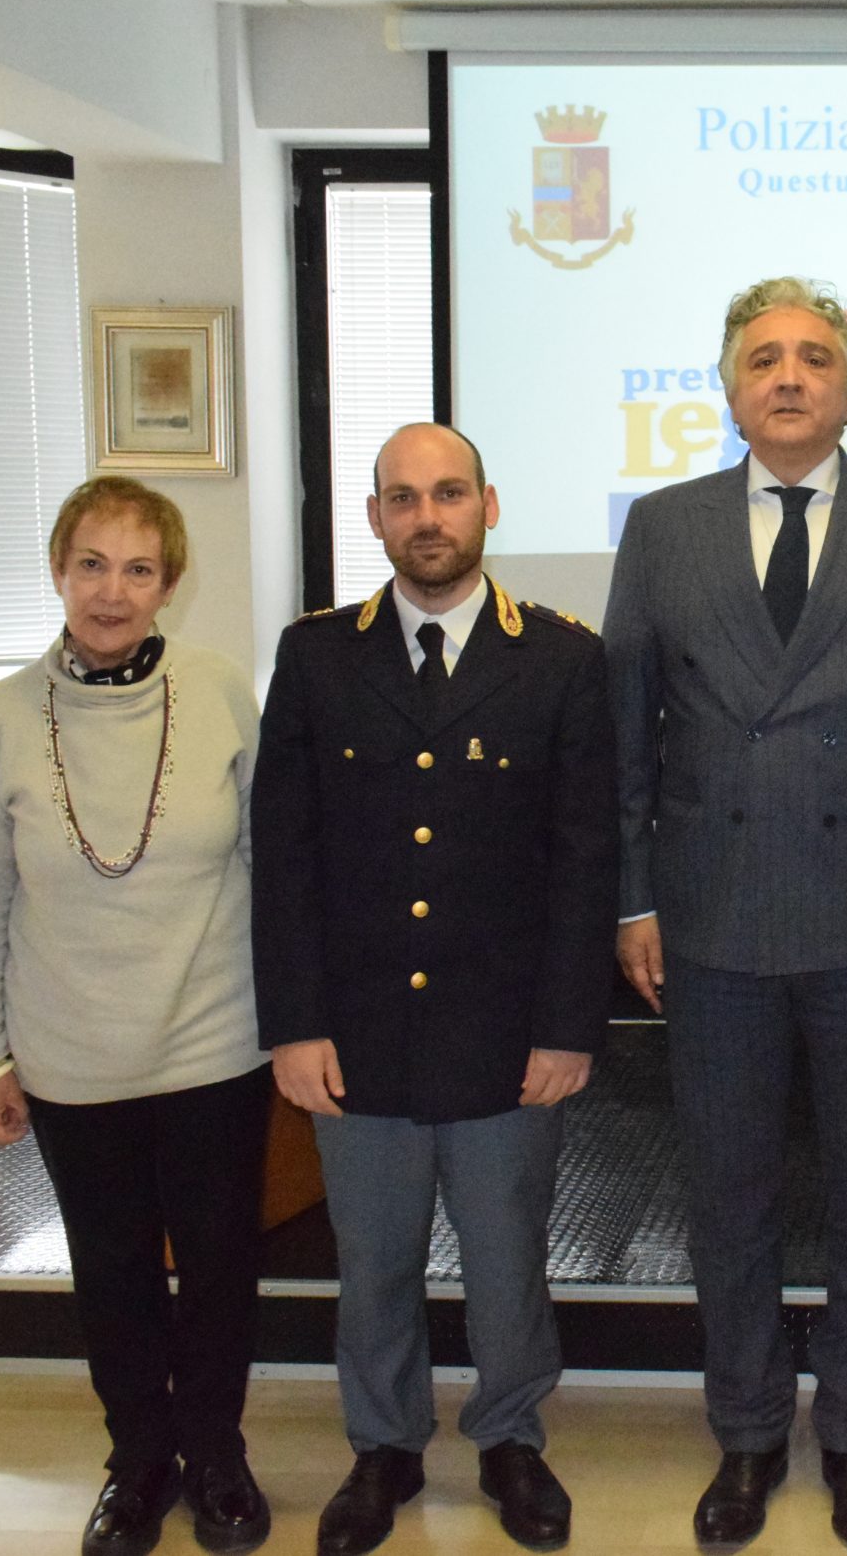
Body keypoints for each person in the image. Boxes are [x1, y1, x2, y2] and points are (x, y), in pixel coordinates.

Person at [603, 276, 847, 1547]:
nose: (787, 376)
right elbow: (626, 733)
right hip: (710, 914)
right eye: (762, 357)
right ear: (727, 389)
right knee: (729, 1192)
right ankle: (749, 1431)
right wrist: (632, 897)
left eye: (813, 357)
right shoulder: (661, 526)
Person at [251, 422, 615, 1556]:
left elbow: (586, 858)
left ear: (488, 507)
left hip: (506, 1031)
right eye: (403, 498)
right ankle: (384, 1445)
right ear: (374, 518)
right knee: (374, 1259)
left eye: (448, 494)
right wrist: (294, 1024)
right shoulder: (318, 657)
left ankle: (511, 1439)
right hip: (358, 1030)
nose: (427, 518)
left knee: (507, 1256)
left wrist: (568, 1025)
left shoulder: (560, 659)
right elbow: (283, 855)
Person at [0, 476, 273, 1556]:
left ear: (169, 584)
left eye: (139, 569)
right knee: (113, 1270)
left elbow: (270, 865)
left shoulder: (220, 692)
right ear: (58, 570)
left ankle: (217, 1454)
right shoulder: (0, 717)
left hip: (216, 1041)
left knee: (220, 1266)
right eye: (92, 564)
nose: (112, 592)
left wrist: (294, 1020)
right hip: (70, 1055)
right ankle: (139, 1461)